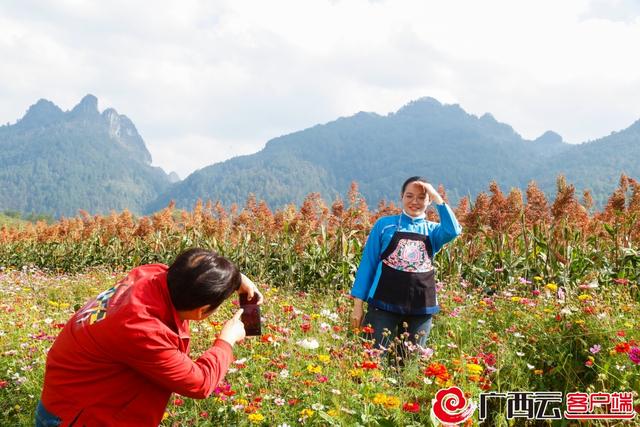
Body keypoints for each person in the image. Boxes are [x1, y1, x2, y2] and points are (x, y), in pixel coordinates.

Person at [35, 248, 263, 427]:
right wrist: (226, 340)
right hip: (78, 418)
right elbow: (200, 384)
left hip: (76, 395)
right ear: (201, 312)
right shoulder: (141, 328)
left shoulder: (152, 275)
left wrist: (234, 278)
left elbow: (190, 272)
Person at [350, 177, 462, 353]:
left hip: (421, 306)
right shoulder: (384, 225)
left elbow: (453, 230)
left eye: (421, 197)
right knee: (370, 358)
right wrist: (358, 306)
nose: (414, 202)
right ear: (402, 196)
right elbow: (368, 264)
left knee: (408, 364)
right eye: (409, 196)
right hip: (382, 303)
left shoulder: (433, 231)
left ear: (429, 201)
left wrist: (436, 196)